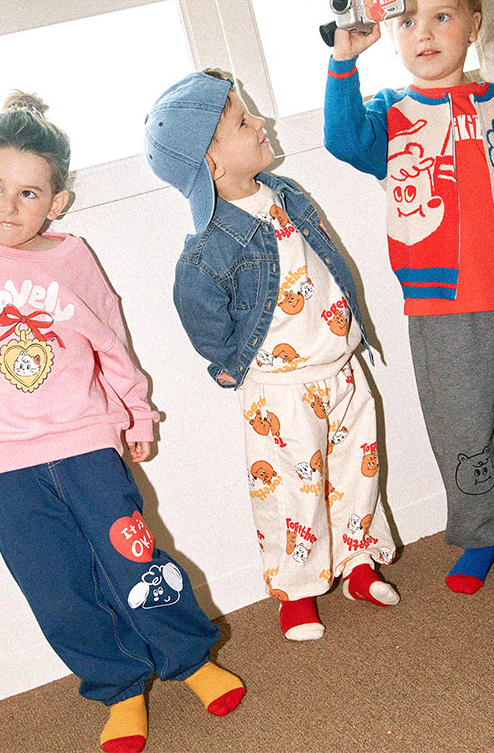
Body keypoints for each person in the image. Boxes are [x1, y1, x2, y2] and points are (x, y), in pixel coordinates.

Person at [0, 91, 245, 753]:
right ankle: (118, 689)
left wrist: (136, 410)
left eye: (29, 193)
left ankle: (190, 659)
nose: (9, 205)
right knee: (56, 588)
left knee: (135, 558)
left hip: (87, 444)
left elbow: (110, 340)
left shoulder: (71, 257)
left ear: (56, 202)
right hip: (3, 464)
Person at [144, 70, 399, 644]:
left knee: (357, 472)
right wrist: (235, 363)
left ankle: (359, 564)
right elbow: (202, 318)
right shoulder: (209, 249)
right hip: (282, 389)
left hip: (342, 368)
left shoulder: (286, 194)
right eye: (243, 121)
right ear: (211, 164)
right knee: (291, 492)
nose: (261, 122)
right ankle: (297, 592)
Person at [324, 0, 494, 594]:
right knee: (462, 424)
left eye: (442, 17)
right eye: (409, 21)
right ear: (392, 34)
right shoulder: (391, 115)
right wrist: (344, 61)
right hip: (443, 304)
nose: (425, 33)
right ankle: (479, 532)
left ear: (475, 25)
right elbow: (341, 139)